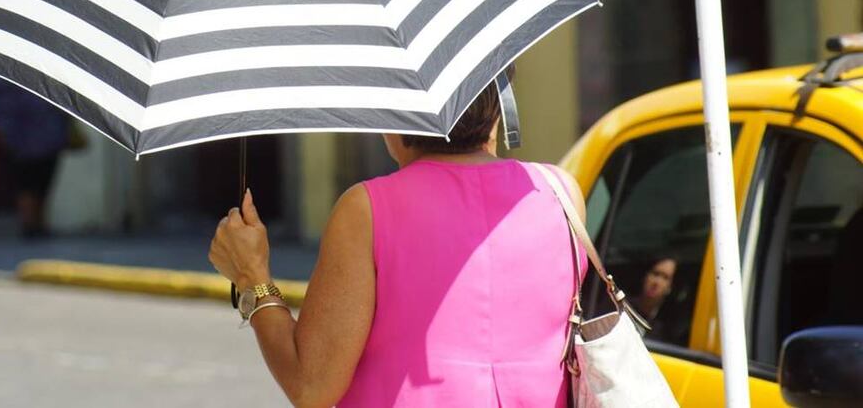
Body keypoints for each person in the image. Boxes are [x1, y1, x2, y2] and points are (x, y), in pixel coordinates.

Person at [208, 81, 588, 407]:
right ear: (497, 113)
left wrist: (252, 277)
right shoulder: (560, 193)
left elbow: (312, 385)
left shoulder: (367, 210)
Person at [0, 74, 68, 238]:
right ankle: (30, 223)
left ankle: (36, 222)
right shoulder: (3, 75)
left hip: (44, 134)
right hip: (24, 135)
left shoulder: (47, 72)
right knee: (27, 181)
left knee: (40, 181)